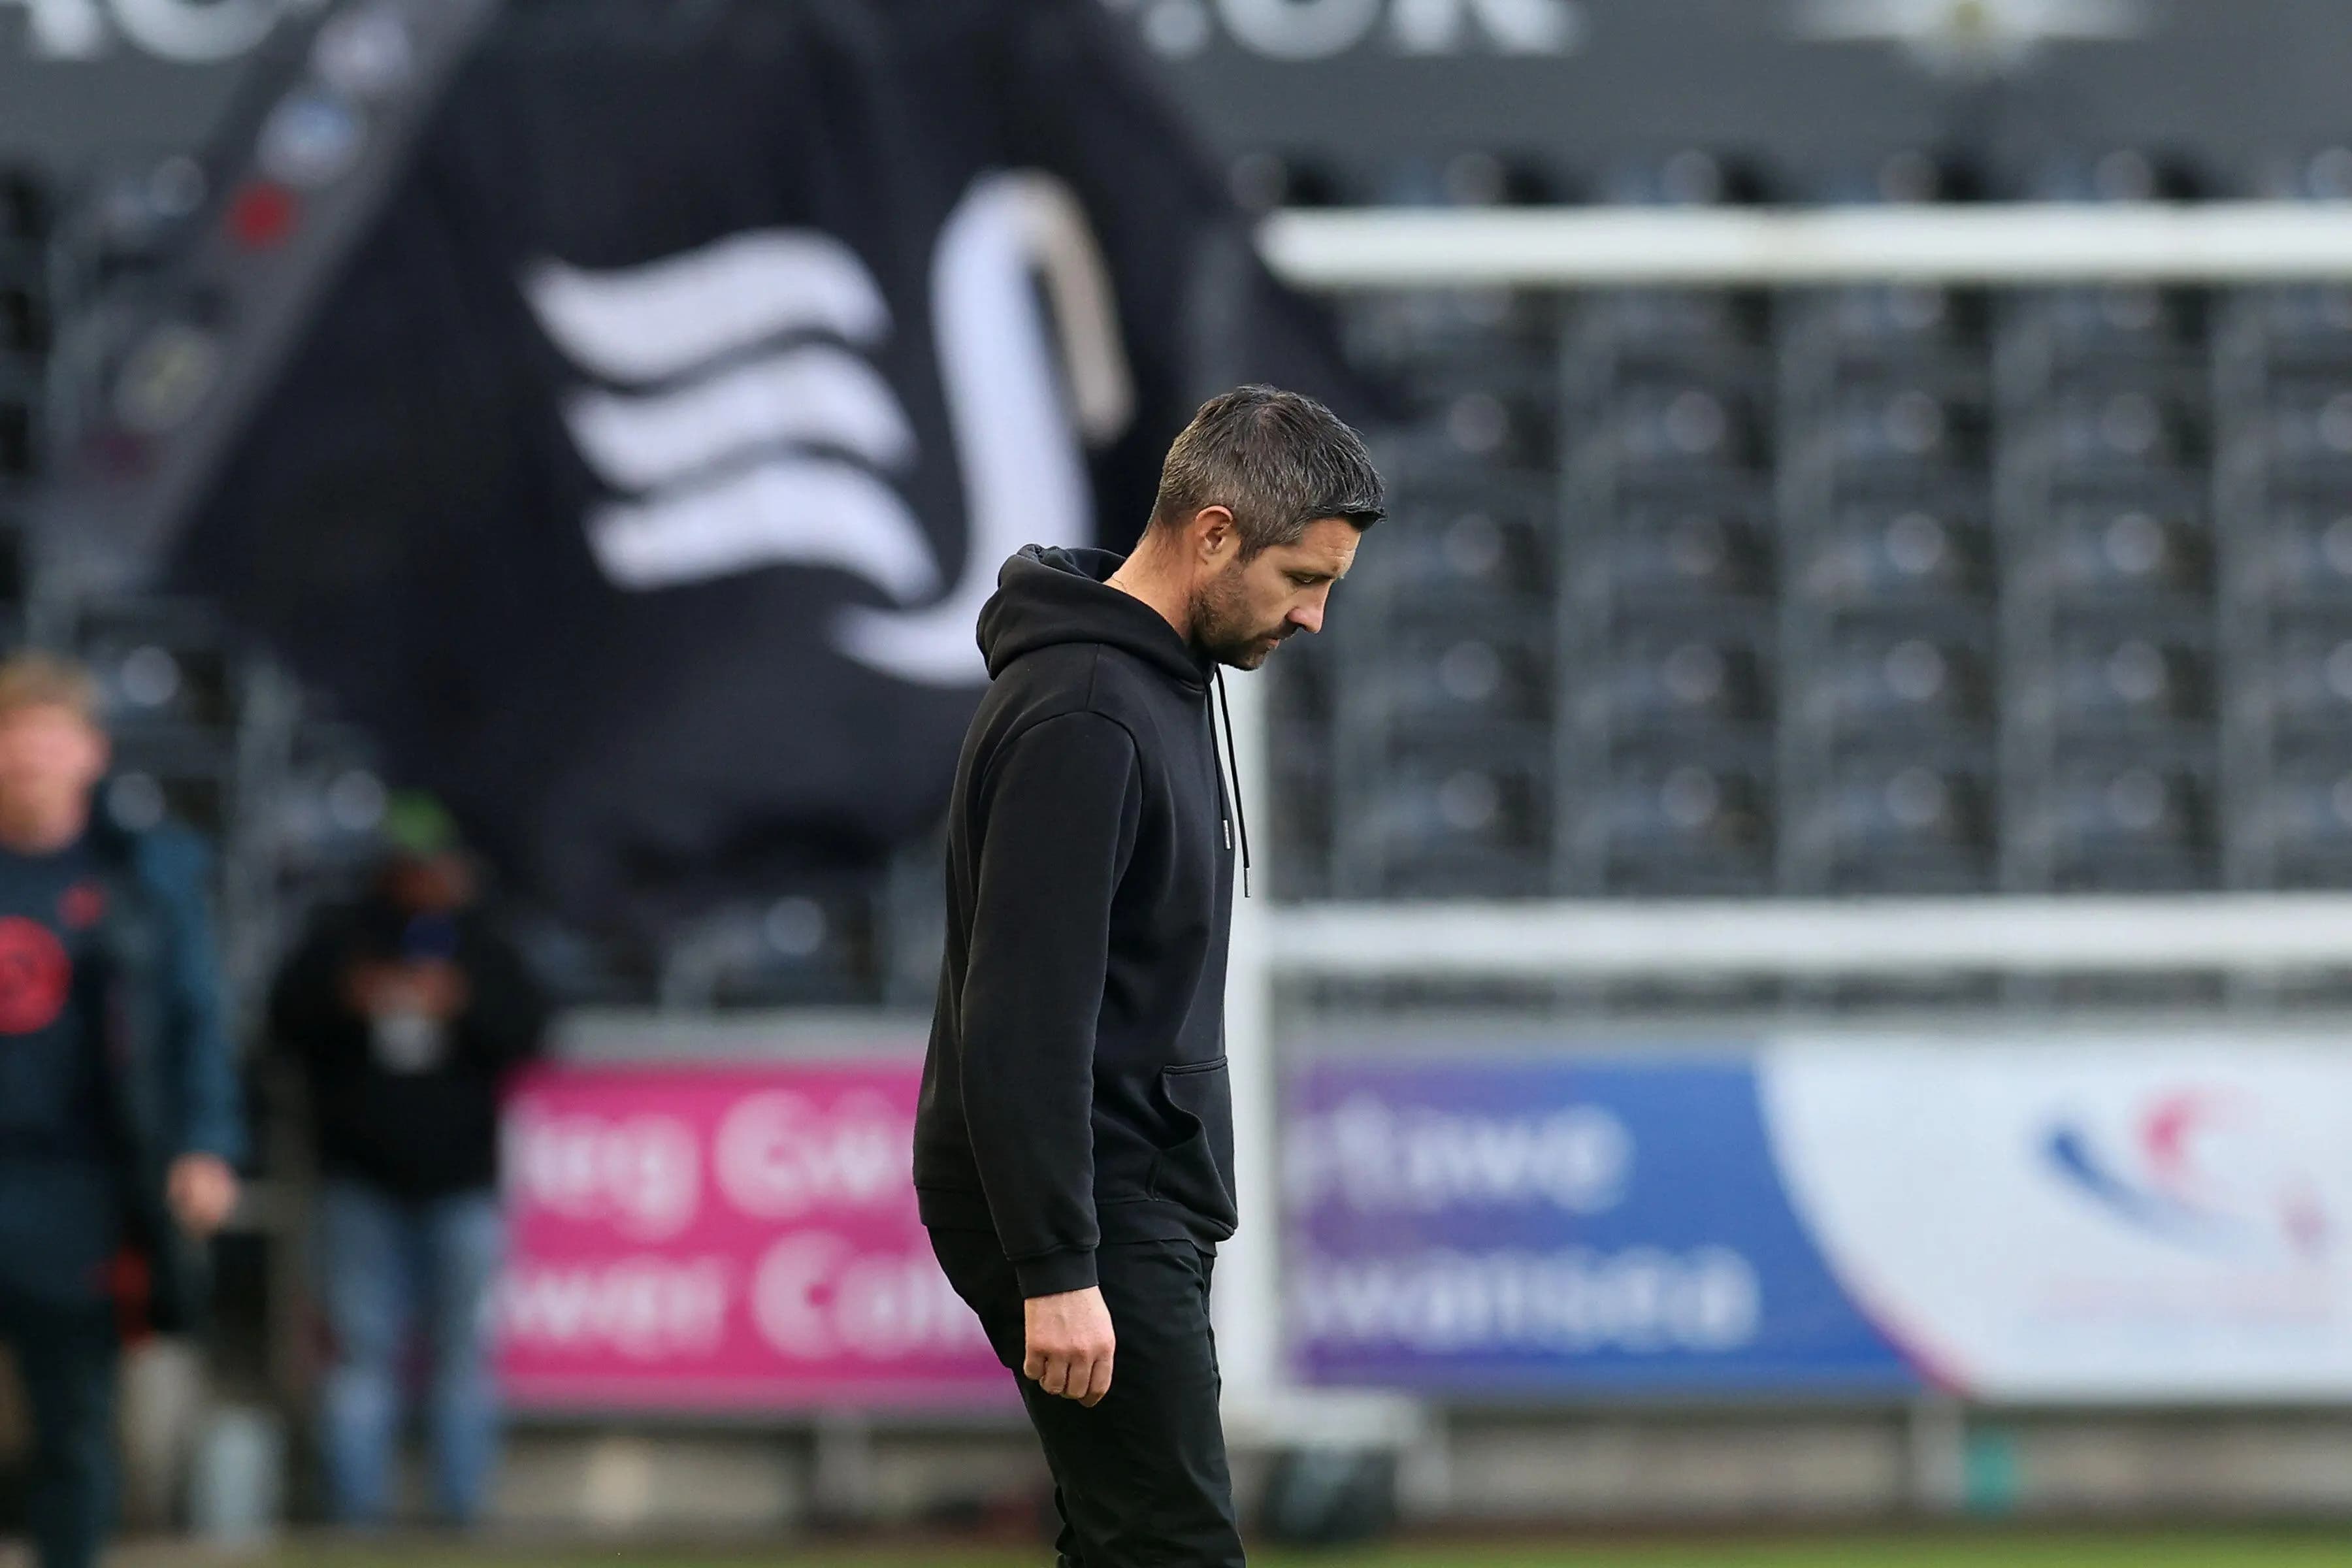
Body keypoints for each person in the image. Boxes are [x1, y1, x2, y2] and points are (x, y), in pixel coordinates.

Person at [915, 385, 1384, 1565]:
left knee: (1126, 1544)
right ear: (1214, 534)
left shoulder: (1154, 681)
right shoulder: (1087, 712)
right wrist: (1060, 1267)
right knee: (1171, 1549)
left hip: (1123, 1197)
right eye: (1302, 580)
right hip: (1095, 1207)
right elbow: (1019, 1022)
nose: (1317, 617)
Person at [0, 653, 243, 1568]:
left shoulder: (140, 880)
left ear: (90, 755)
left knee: (73, 1425)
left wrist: (207, 1144)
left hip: (80, 1187)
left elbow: (192, 1021)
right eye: (13, 739)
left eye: (48, 739)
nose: (28, 759)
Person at [269, 794, 547, 1527]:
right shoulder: (342, 933)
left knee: (463, 1358)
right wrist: (346, 1001)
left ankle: (462, 1511)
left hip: (462, 1181)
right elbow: (281, 1024)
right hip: (359, 1178)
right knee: (360, 1355)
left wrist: (463, 1002)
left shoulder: (485, 940)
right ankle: (353, 1511)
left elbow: (532, 1032)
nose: (428, 876)